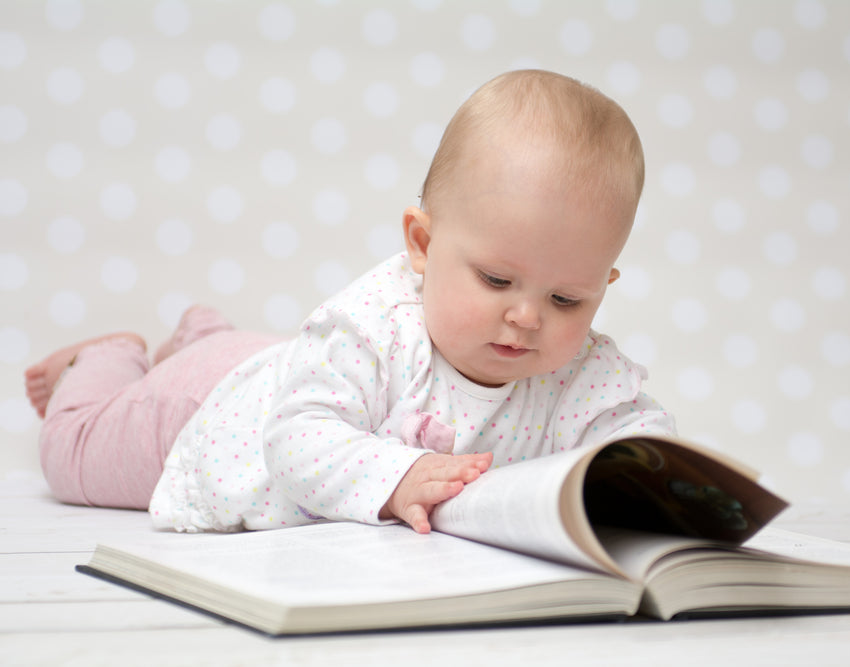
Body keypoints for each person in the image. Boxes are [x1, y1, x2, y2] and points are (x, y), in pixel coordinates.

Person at [25, 69, 677, 535]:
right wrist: (397, 476)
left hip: (298, 363)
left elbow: (636, 436)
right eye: (496, 280)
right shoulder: (372, 327)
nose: (528, 317)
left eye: (566, 298)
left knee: (285, 360)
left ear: (602, 286)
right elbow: (296, 437)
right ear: (423, 245)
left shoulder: (578, 371)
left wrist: (654, 481)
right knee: (73, 459)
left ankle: (202, 331)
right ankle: (108, 358)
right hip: (219, 408)